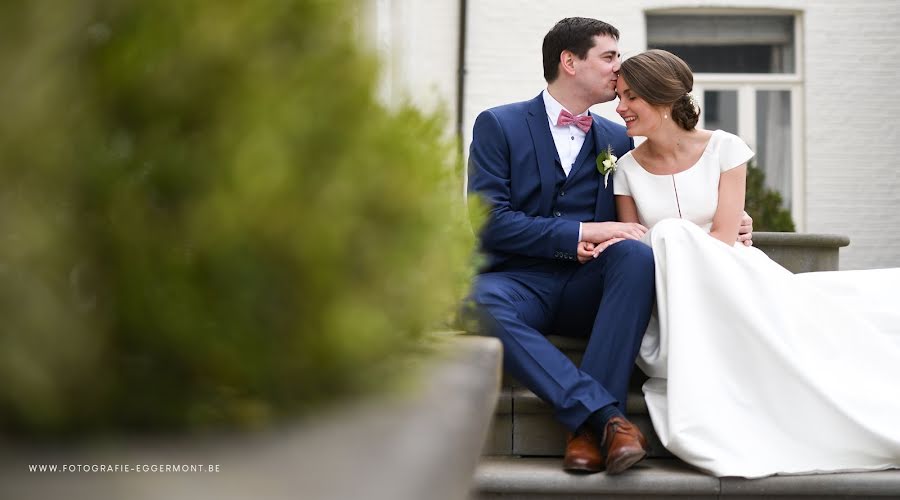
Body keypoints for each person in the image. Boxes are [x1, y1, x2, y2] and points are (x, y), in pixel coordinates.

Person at [589, 48, 900, 478]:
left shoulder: (725, 148)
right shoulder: (624, 168)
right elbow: (635, 248)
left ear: (661, 99)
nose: (619, 108)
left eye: (629, 97)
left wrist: (691, 237)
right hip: (669, 295)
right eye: (619, 96)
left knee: (675, 234)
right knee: (663, 236)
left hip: (731, 275)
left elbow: (722, 237)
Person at [466, 18, 752, 475]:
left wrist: (727, 216)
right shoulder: (498, 125)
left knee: (635, 256)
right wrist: (579, 233)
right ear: (570, 62)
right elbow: (489, 222)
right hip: (521, 280)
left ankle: (588, 427)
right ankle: (602, 420)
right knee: (477, 301)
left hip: (589, 284)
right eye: (609, 57)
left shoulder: (620, 138)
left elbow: (655, 209)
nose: (618, 70)